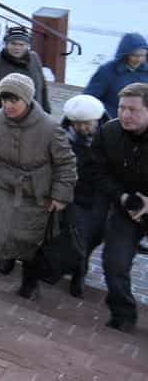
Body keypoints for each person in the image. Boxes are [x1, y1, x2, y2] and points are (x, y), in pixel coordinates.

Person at [0, 74, 76, 300]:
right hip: (3, 185)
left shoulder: (50, 127)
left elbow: (66, 163)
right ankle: (6, 255)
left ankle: (29, 280)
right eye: (4, 99)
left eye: (13, 100)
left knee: (30, 238)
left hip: (35, 190)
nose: (7, 106)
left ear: (26, 99)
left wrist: (60, 195)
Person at [89, 83, 148, 333]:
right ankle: (123, 314)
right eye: (122, 108)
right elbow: (97, 171)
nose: (124, 115)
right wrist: (122, 196)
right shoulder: (108, 133)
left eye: (133, 109)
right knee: (114, 262)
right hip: (127, 207)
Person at [61, 94, 108, 298]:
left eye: (86, 124)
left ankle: (79, 267)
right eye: (77, 124)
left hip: (99, 197)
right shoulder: (63, 136)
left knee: (91, 238)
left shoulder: (111, 135)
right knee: (76, 236)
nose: (81, 129)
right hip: (73, 195)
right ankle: (78, 272)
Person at [0, 26, 51, 113]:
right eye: (13, 44)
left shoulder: (34, 58)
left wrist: (47, 112)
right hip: (9, 119)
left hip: (36, 115)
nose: (17, 48)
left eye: (21, 44)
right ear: (6, 44)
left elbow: (43, 86)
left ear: (27, 46)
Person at [84, 32, 148, 119]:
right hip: (114, 119)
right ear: (125, 54)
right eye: (135, 55)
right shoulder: (107, 71)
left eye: (142, 55)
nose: (139, 59)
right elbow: (89, 98)